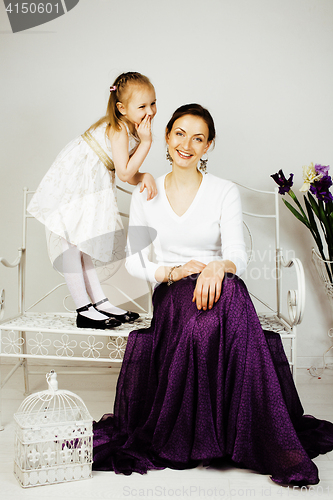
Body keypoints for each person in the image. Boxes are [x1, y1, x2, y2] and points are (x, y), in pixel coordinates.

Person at [92, 104, 333, 484]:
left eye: (198, 138)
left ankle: (250, 440)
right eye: (180, 134)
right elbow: (137, 262)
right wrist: (172, 272)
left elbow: (236, 253)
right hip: (173, 293)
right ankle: (233, 441)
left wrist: (218, 267)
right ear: (168, 137)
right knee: (201, 325)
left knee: (233, 292)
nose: (187, 144)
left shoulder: (223, 191)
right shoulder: (146, 191)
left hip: (221, 287)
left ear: (209, 146)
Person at [28, 72, 157, 329]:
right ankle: (83, 308)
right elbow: (123, 172)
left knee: (82, 245)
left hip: (93, 182)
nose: (150, 111)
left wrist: (142, 175)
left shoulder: (129, 128)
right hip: (76, 181)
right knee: (73, 245)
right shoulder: (119, 129)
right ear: (121, 108)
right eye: (142, 106)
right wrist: (147, 142)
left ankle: (99, 302)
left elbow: (126, 171)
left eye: (153, 103)